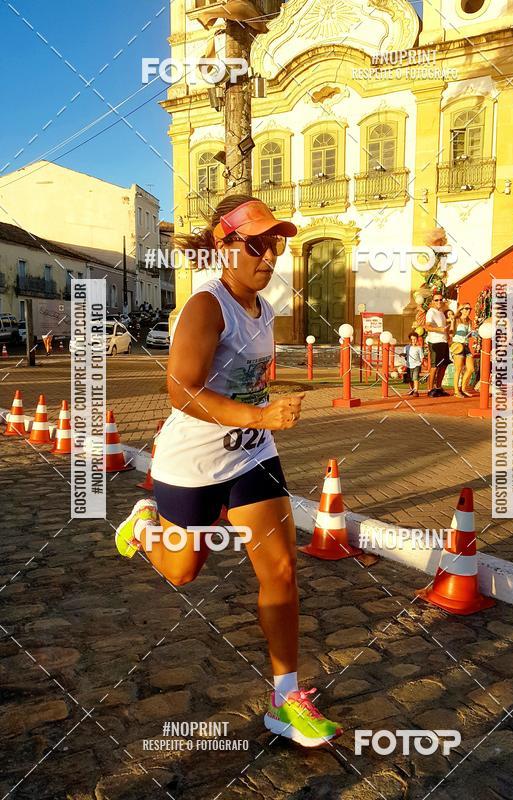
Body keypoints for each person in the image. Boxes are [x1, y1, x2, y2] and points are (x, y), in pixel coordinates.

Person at [114, 195, 343, 747]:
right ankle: (145, 525)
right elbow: (180, 389)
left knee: (282, 570)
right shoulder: (204, 307)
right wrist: (259, 412)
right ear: (225, 245)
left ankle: (285, 697)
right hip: (193, 463)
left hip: (251, 455)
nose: (269, 255)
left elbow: (244, 379)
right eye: (257, 243)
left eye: (277, 243)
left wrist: (264, 411)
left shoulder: (263, 310)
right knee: (182, 573)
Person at [425, 294, 450, 397]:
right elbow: (427, 327)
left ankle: (438, 388)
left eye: (440, 300)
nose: (439, 301)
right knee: (435, 366)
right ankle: (430, 389)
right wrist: (440, 329)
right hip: (435, 342)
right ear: (432, 301)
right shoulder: (431, 312)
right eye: (436, 300)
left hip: (443, 342)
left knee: (443, 366)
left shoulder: (441, 313)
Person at [450, 304, 476, 398]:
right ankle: (456, 391)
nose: (468, 310)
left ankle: (463, 388)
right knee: (458, 369)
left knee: (471, 368)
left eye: (470, 308)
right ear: (461, 310)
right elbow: (451, 333)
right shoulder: (456, 320)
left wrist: (473, 333)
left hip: (466, 346)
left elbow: (469, 335)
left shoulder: (469, 321)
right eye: (466, 308)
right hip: (458, 345)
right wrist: (452, 323)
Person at [405, 331, 424, 398]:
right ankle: (412, 389)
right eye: (412, 339)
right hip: (409, 365)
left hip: (417, 365)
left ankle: (416, 391)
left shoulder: (419, 348)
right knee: (410, 379)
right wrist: (403, 355)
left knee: (415, 378)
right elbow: (405, 356)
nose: (413, 341)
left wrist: (421, 363)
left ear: (417, 339)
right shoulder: (406, 347)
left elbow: (422, 357)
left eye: (415, 339)